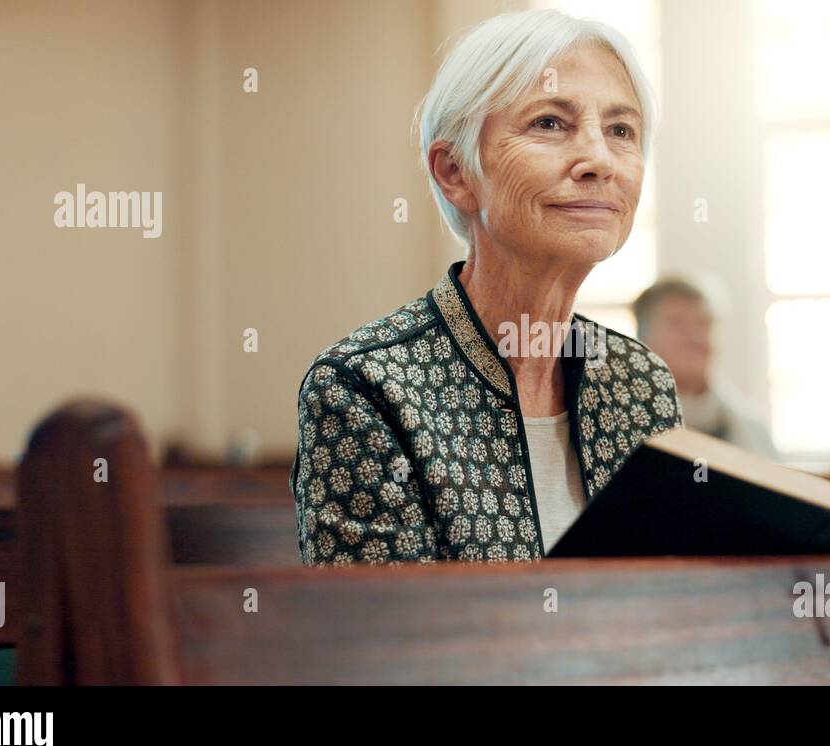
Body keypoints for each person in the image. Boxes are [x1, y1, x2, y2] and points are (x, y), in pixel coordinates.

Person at [290, 9, 683, 564]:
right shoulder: (365, 389)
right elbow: (382, 642)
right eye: (550, 123)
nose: (599, 159)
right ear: (455, 173)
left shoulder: (641, 383)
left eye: (621, 130)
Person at [633, 278, 776, 458]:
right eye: (677, 324)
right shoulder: (624, 429)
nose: (694, 337)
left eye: (703, 324)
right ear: (642, 337)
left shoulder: (755, 431)